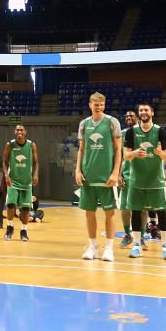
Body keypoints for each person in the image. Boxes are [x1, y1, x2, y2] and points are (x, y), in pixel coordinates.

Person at [74, 92, 122, 262]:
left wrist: (116, 172)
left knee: (110, 212)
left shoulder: (111, 122)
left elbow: (118, 150)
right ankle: (92, 247)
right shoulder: (84, 124)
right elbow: (81, 150)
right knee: (89, 213)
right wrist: (78, 170)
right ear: (90, 105)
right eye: (96, 104)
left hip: (107, 176)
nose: (99, 107)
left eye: (102, 104)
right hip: (88, 175)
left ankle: (109, 248)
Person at [124, 103, 166, 261]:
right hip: (136, 180)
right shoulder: (132, 132)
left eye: (146, 110)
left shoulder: (160, 131)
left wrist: (159, 153)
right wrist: (134, 153)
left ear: (152, 112)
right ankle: (137, 245)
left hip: (156, 181)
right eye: (141, 110)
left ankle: (165, 246)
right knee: (136, 213)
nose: (143, 112)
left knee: (161, 213)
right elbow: (125, 156)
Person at [3, 125, 38, 242]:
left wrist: (36, 175)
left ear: (25, 132)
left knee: (25, 208)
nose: (19, 132)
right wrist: (6, 176)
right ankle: (9, 227)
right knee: (11, 205)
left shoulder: (31, 145)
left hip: (27, 182)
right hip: (13, 181)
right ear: (14, 131)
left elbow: (36, 162)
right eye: (17, 130)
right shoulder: (10, 144)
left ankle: (24, 231)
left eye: (21, 130)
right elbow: (4, 162)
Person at [118, 110, 138, 248]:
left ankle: (140, 237)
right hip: (126, 174)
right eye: (126, 116)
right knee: (124, 207)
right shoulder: (122, 133)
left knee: (141, 209)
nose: (128, 118)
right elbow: (119, 155)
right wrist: (118, 174)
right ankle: (127, 234)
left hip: (141, 174)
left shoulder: (143, 131)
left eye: (131, 115)